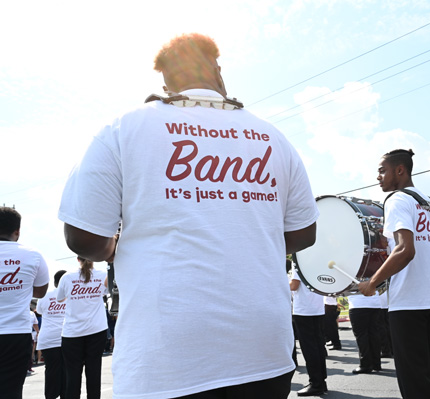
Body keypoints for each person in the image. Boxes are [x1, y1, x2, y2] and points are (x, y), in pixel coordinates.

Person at [58, 33, 318, 399]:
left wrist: (118, 246)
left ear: (165, 82)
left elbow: (82, 238)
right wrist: (247, 232)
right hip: (264, 348)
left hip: (168, 357)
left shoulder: (123, 128)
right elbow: (304, 234)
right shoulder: (273, 137)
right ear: (218, 70)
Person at [358, 149, 430, 399]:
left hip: (408, 302)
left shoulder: (397, 200)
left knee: (414, 379)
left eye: (382, 171)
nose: (378, 177)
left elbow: (405, 250)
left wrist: (373, 282)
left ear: (399, 170)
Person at [0, 206, 49, 399]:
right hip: (16, 333)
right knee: (11, 391)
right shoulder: (32, 255)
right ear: (17, 231)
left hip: (16, 332)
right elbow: (40, 291)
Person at [56, 257, 108, 399]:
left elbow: (59, 298)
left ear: (77, 258)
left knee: (72, 377)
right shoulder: (103, 275)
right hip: (97, 330)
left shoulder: (67, 277)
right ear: (94, 257)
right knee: (94, 374)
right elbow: (107, 292)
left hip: (72, 333)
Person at [290, 264, 328, 396]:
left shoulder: (299, 263)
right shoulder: (317, 262)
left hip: (304, 310)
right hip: (317, 308)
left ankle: (316, 383)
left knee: (309, 348)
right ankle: (321, 382)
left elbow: (294, 285)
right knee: (318, 346)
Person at [36, 270, 68, 399]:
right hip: (67, 337)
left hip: (48, 338)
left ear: (54, 282)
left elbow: (39, 311)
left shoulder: (44, 296)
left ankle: (50, 396)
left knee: (51, 371)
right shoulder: (70, 295)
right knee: (67, 371)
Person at [348, 292, 383, 374]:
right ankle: (376, 363)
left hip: (358, 304)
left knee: (362, 336)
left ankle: (365, 365)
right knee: (374, 334)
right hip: (375, 303)